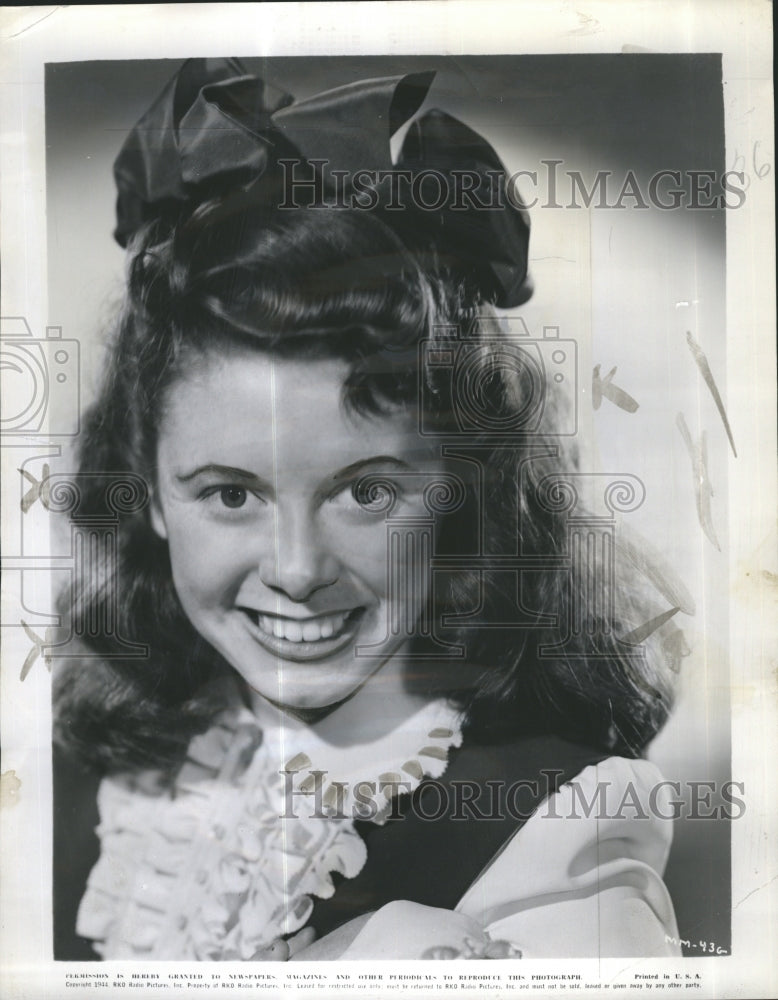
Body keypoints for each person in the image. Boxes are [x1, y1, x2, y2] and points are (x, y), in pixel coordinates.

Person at [52, 58, 682, 961]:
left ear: (460, 489)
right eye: (231, 494)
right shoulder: (89, 781)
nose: (297, 570)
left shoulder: (561, 821)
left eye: (367, 492)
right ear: (148, 491)